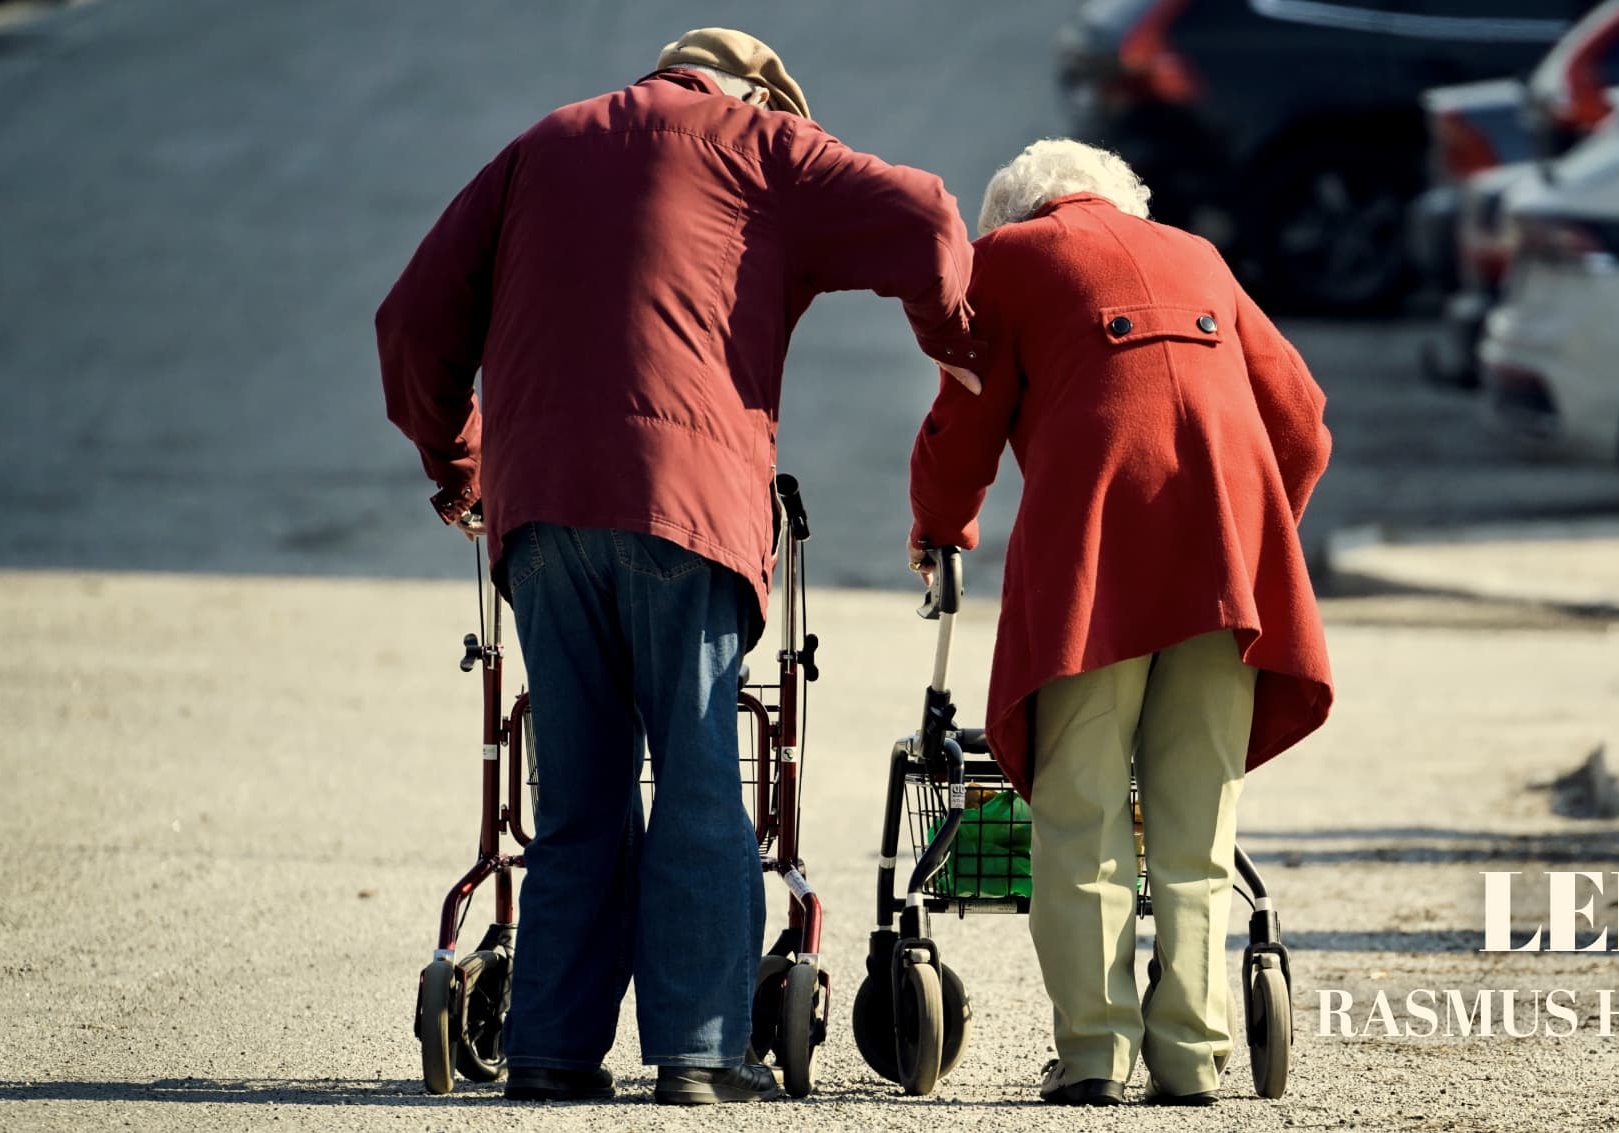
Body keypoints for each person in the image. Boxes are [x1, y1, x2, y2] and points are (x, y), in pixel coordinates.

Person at [377, 28, 984, 1106]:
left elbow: (412, 322)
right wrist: (952, 339)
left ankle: (550, 1051)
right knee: (702, 773)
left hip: (543, 510)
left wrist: (459, 465)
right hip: (686, 505)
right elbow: (931, 218)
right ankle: (699, 1049)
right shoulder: (763, 147)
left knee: (575, 789)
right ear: (758, 93)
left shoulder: (541, 145)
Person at [907, 139, 1333, 1107]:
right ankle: (1189, 1054)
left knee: (1083, 808)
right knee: (1195, 819)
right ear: (1116, 200)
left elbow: (962, 424)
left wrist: (938, 529)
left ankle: (1095, 1052)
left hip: (1094, 567)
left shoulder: (1007, 262)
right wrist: (1253, 535)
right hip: (1225, 571)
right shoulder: (1196, 253)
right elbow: (1301, 419)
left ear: (1013, 214)